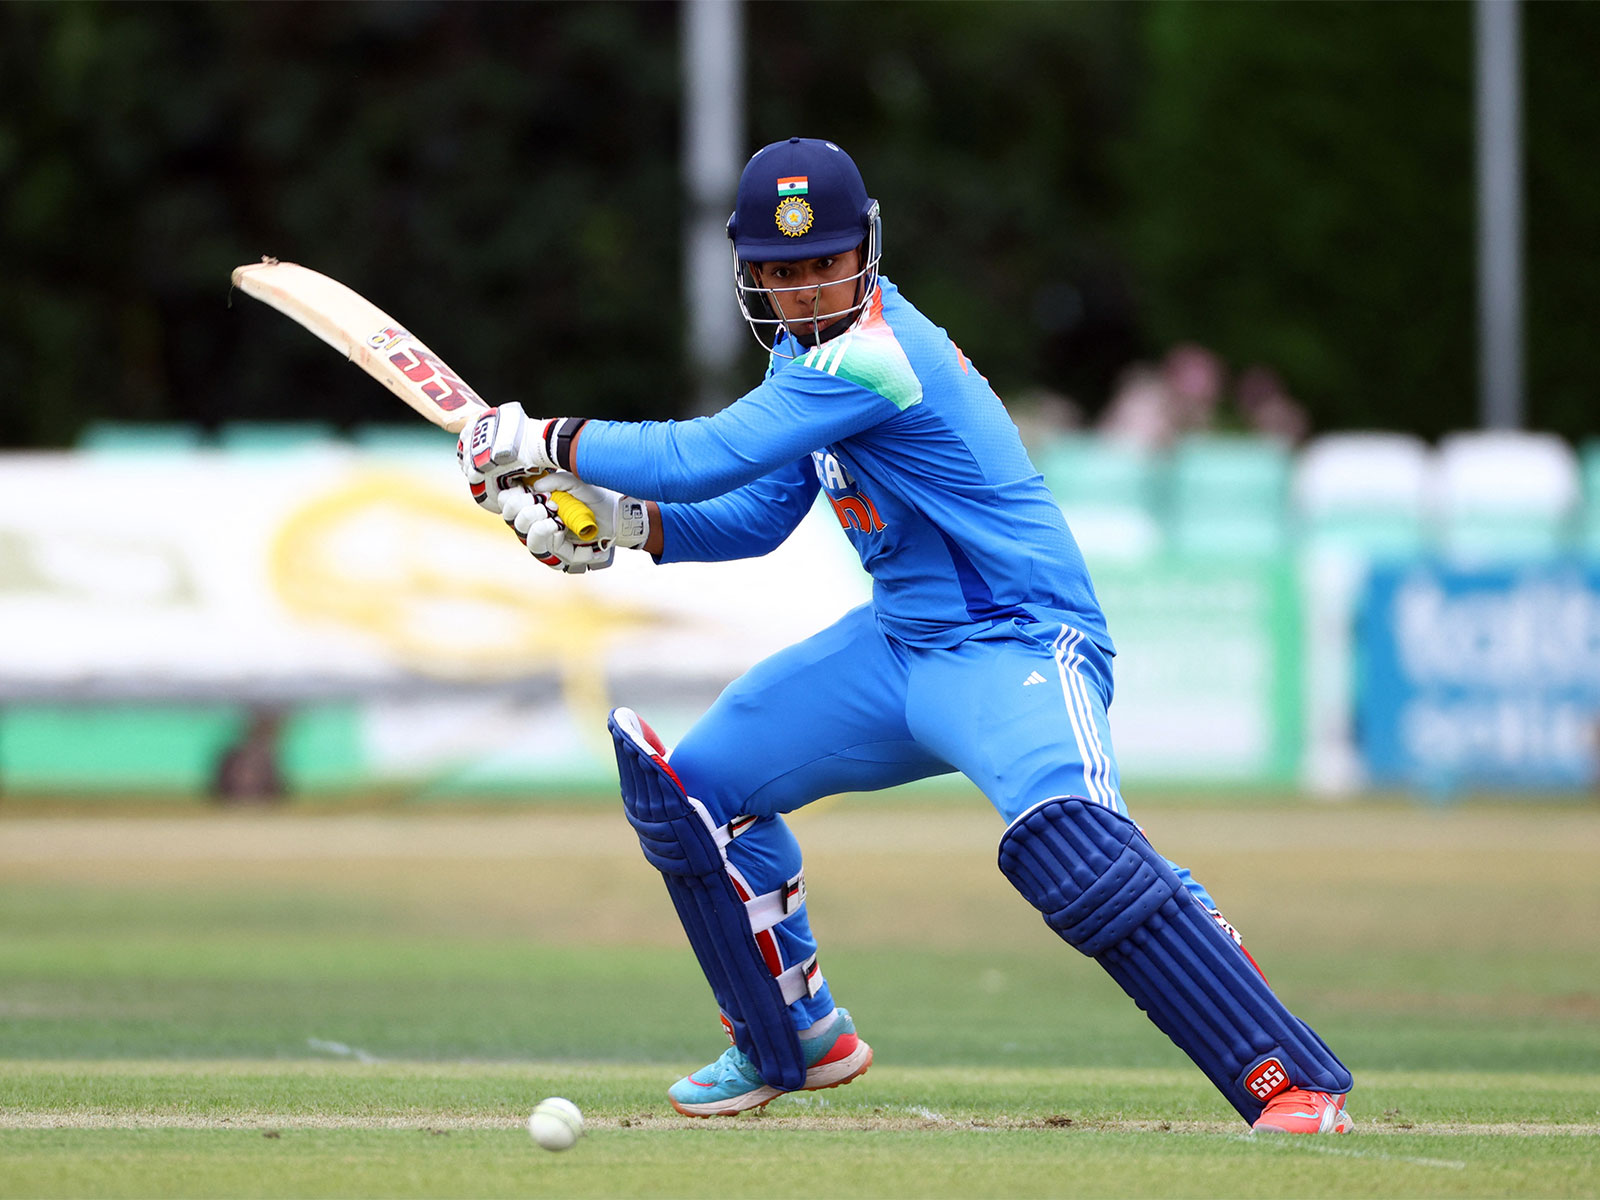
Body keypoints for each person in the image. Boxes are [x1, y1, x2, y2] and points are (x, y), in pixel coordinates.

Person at [458, 137, 1354, 1134]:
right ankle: (790, 1036)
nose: (801, 292)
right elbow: (754, 511)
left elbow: (709, 453)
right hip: (897, 651)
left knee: (1078, 854)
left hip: (1017, 644)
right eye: (779, 273)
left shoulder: (876, 356)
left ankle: (1289, 1075)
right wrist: (626, 529)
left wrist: (546, 440)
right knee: (697, 794)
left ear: (864, 253)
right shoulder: (809, 362)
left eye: (821, 265)